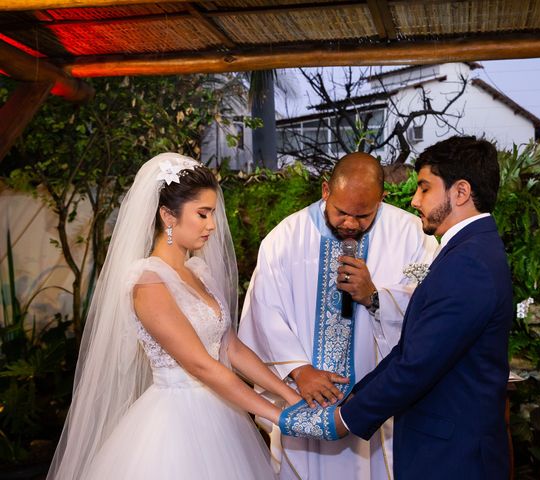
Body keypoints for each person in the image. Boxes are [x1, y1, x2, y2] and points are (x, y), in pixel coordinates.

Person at [47, 153, 301, 480]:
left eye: (213, 214)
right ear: (168, 216)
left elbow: (231, 348)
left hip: (222, 413)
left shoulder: (198, 270)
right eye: (202, 214)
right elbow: (200, 364)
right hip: (176, 425)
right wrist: (279, 415)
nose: (212, 225)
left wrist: (291, 396)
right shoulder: (149, 282)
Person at [238, 152, 437, 480]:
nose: (350, 224)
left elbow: (430, 304)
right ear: (325, 190)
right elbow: (264, 312)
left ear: (382, 198)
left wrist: (374, 297)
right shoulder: (284, 239)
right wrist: (299, 370)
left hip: (376, 405)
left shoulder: (411, 235)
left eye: (363, 215)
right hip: (302, 398)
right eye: (342, 212)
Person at [334, 136, 514, 480]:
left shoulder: (469, 262)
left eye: (425, 188)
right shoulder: (469, 249)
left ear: (460, 192)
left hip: (453, 456)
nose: (415, 200)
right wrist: (354, 396)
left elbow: (418, 364)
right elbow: (411, 348)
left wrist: (345, 419)